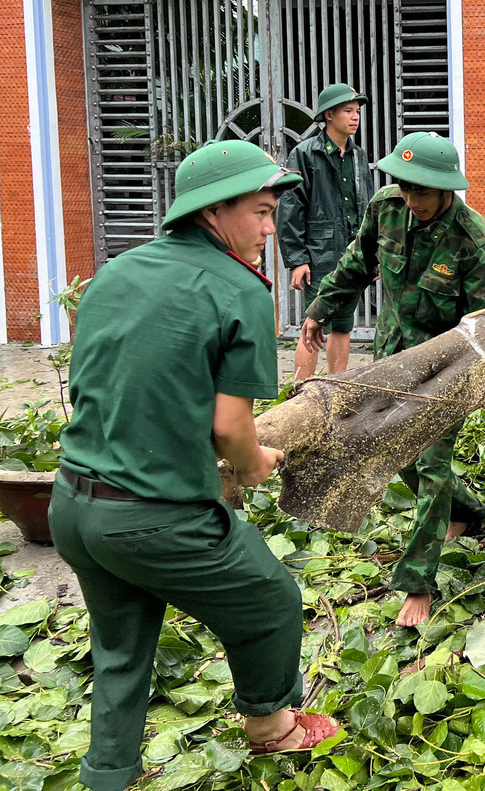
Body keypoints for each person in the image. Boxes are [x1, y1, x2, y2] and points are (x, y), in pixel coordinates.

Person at [49, 140, 340, 791]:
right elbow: (230, 425)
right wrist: (254, 462)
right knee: (272, 597)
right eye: (261, 212)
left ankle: (106, 774)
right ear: (214, 210)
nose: (270, 228)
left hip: (72, 506)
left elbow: (133, 382)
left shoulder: (117, 272)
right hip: (151, 515)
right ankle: (271, 728)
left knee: (121, 651)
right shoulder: (237, 286)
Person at [301, 131, 485, 628]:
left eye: (421, 191)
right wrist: (319, 309)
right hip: (393, 359)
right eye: (405, 187)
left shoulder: (474, 240)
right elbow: (354, 265)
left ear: (446, 189)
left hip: (448, 371)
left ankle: (418, 582)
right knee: (394, 453)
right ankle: (466, 513)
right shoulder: (386, 208)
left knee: (433, 465)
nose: (411, 199)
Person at [277, 83, 373, 380]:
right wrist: (297, 260)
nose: (355, 117)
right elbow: (291, 208)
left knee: (344, 324)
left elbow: (369, 208)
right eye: (348, 111)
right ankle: (300, 393)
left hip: (351, 254)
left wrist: (373, 255)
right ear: (329, 115)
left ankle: (337, 388)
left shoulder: (358, 156)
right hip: (317, 255)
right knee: (313, 321)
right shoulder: (305, 154)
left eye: (357, 112)